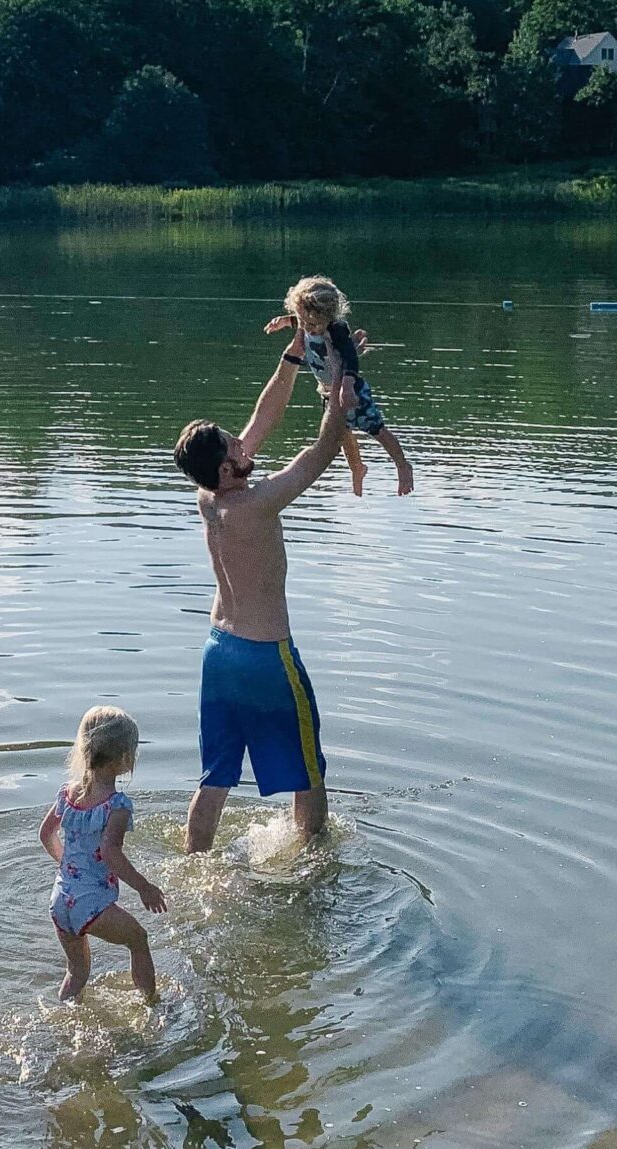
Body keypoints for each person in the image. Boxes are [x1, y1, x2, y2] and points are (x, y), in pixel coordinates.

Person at [172, 328, 350, 852]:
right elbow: (321, 452)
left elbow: (264, 416)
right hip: (266, 656)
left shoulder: (210, 498)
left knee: (217, 775)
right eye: (233, 445)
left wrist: (297, 353)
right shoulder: (259, 504)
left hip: (218, 652)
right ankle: (313, 858)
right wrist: (339, 383)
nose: (243, 441)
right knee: (308, 768)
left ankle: (195, 861)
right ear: (227, 468)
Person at [39, 706, 167, 1001]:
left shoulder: (68, 794)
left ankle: (66, 1017)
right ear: (125, 758)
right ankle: (153, 1005)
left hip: (60, 899)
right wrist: (144, 887)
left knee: (77, 973)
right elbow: (110, 853)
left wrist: (68, 866)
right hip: (90, 904)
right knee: (138, 940)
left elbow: (46, 834)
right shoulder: (117, 806)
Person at [267, 272, 415, 497]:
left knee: (377, 430)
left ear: (329, 316)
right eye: (303, 321)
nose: (308, 328)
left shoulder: (336, 330)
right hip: (327, 392)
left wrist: (347, 385)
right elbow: (300, 321)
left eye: (314, 324)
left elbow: (350, 357)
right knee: (341, 433)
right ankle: (357, 468)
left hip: (350, 390)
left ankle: (403, 466)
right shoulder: (307, 322)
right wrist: (285, 321)